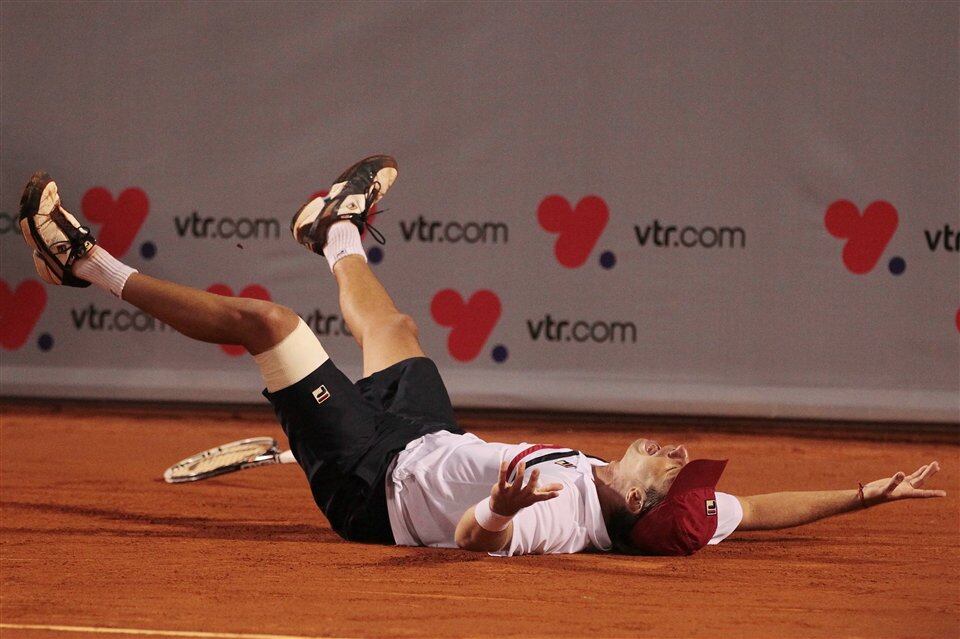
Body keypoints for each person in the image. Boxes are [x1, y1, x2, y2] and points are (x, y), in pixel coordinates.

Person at [17, 156, 946, 556]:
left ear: (641, 502)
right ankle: (334, 230)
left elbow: (474, 542)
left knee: (269, 324)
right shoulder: (648, 505)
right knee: (400, 333)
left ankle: (82, 263)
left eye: (672, 469)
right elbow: (763, 510)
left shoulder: (559, 517)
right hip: (429, 439)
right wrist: (866, 493)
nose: (674, 452)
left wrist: (499, 509)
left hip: (371, 487)